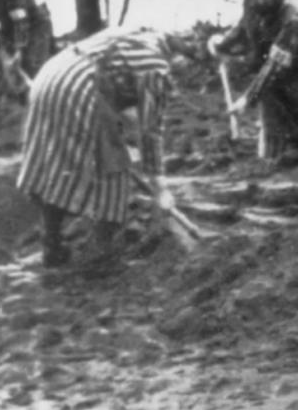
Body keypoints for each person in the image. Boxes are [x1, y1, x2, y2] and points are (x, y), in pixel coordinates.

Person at [16, 27, 179, 269]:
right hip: (81, 88)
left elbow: (128, 112)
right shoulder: (155, 64)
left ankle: (52, 244)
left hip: (49, 78)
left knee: (55, 163)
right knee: (112, 171)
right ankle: (100, 254)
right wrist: (160, 187)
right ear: (174, 54)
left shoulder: (130, 36)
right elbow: (150, 130)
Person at [208, 0, 298, 165]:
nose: (261, 1)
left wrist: (245, 101)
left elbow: (274, 67)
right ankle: (274, 164)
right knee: (274, 138)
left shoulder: (292, 22)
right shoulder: (253, 10)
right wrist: (220, 43)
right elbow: (240, 31)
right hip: (274, 84)